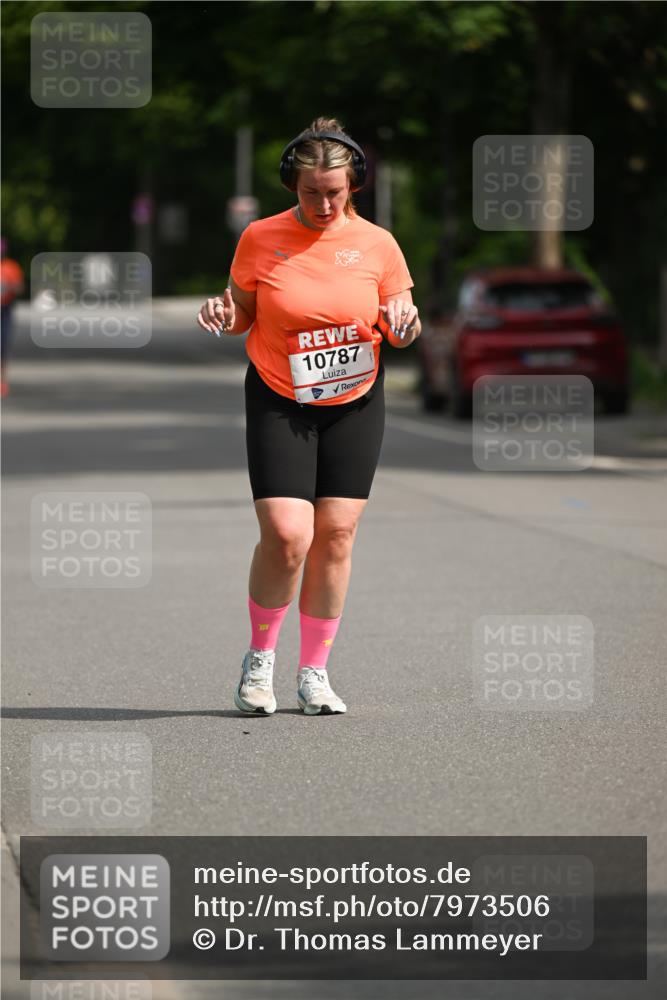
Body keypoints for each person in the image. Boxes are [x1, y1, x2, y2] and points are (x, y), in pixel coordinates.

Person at [196, 117, 420, 716]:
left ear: (355, 186)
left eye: (335, 193)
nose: (323, 204)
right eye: (310, 192)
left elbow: (400, 313)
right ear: (292, 186)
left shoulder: (379, 245)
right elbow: (243, 311)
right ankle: (260, 660)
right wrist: (223, 312)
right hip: (279, 394)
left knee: (337, 535)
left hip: (356, 400)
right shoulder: (260, 238)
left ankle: (315, 672)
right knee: (289, 535)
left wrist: (405, 320)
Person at [1, 237, 25, 397]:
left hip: (5, 310)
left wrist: (10, 285)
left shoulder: (11, 267)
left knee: (3, 346)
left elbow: (20, 288)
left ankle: (2, 381)